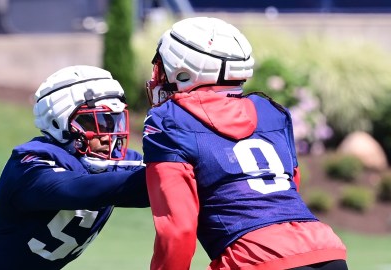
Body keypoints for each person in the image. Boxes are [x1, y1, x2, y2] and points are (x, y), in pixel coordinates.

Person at [142, 17, 348, 270]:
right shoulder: (271, 111)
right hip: (326, 251)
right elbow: (291, 185)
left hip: (253, 258)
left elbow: (177, 230)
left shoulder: (170, 119)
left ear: (184, 68)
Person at [0, 65, 148, 270]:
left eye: (113, 120)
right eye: (95, 121)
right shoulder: (30, 163)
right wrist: (166, 174)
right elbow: (81, 189)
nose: (109, 135)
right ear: (59, 121)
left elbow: (163, 183)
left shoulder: (113, 160)